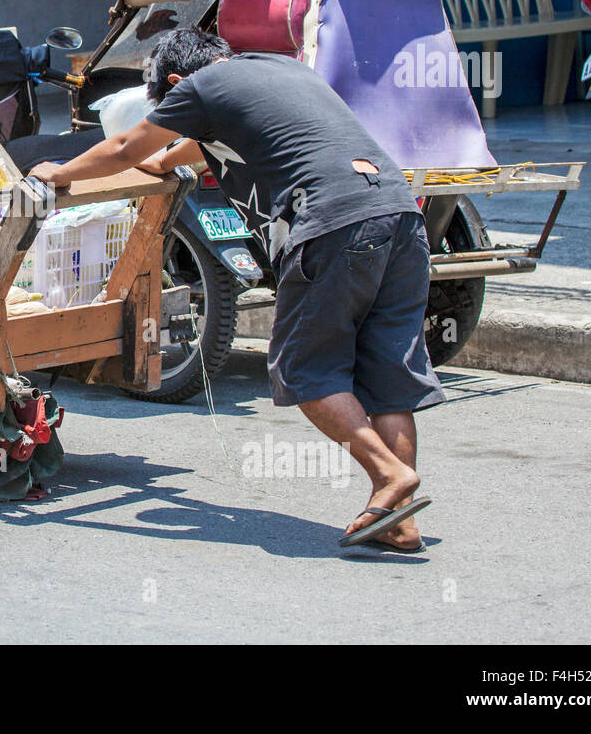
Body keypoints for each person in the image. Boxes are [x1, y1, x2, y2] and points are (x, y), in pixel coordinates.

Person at [29, 29, 440, 552]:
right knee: (388, 379)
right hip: (400, 215)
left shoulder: (202, 88)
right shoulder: (278, 69)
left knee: (303, 369)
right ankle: (400, 519)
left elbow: (129, 146)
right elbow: (160, 161)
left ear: (177, 83)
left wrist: (58, 172)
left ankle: (388, 475)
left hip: (333, 221)